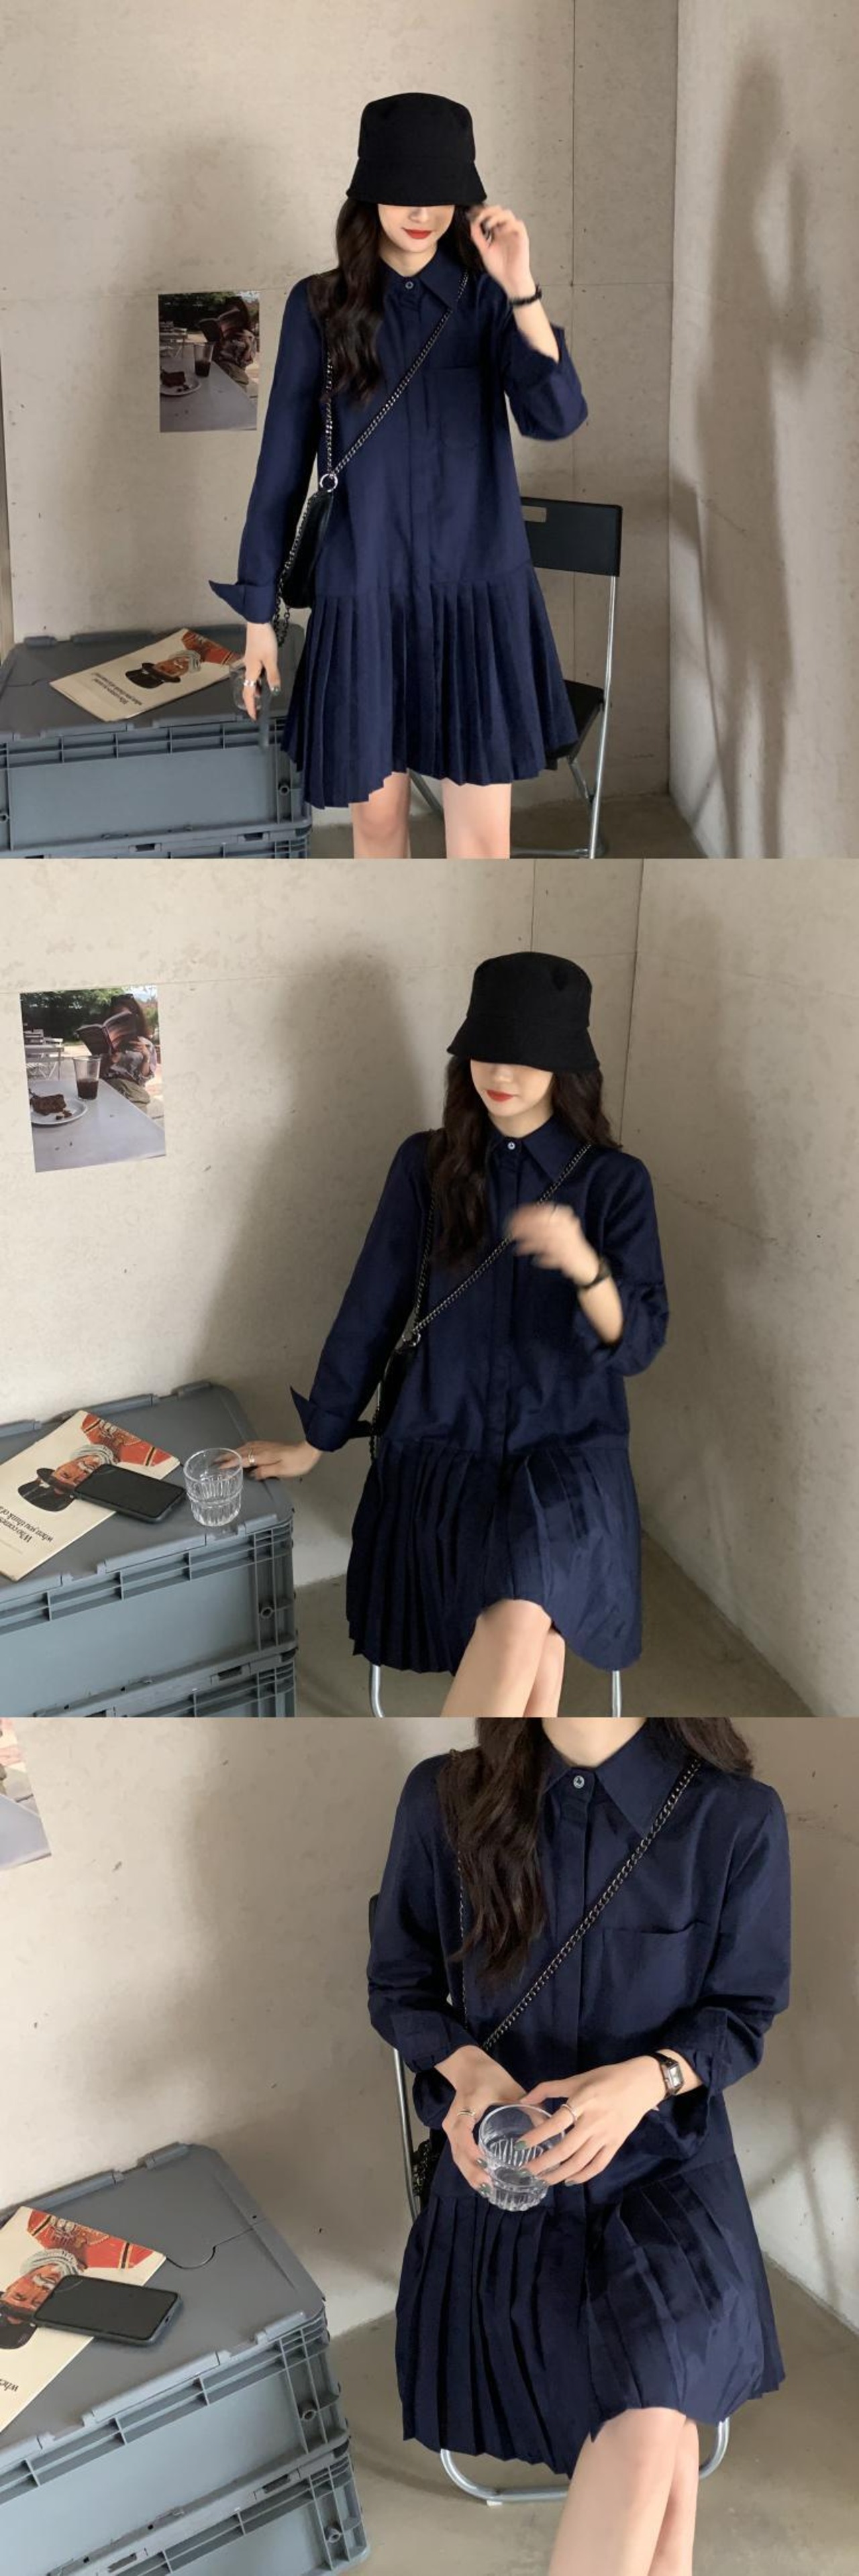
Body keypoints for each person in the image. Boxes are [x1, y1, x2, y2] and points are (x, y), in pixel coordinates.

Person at [367, 1714, 791, 2576]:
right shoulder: (443, 1799)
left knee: (652, 2396)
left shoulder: (734, 1816)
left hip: (666, 2168)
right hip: (503, 2177)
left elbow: (742, 2012)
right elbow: (398, 1987)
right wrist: (466, 2071)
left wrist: (648, 2078)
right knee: (657, 2415)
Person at [237, 951, 668, 1717]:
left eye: (525, 1056)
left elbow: (635, 1346)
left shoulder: (614, 1182)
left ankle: (458, 1777)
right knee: (534, 1629)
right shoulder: (427, 1166)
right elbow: (371, 1306)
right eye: (485, 1050)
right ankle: (506, 1782)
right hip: (440, 1446)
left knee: (522, 1605)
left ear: (565, 1066)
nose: (499, 1072)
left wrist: (582, 1264)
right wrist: (316, 1440)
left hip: (567, 1451)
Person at [210, 91, 587, 858]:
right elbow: (280, 466)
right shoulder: (320, 306)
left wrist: (520, 285)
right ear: (368, 192)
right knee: (377, 825)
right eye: (402, 191)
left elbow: (556, 416)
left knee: (481, 843)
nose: (420, 212)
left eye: (438, 192)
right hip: (365, 595)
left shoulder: (488, 300)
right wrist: (257, 615)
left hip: (476, 593)